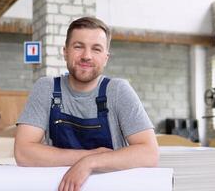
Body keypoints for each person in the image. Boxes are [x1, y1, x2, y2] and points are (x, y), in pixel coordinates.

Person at [14, 16, 159, 191]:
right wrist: (88, 155)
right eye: (78, 46)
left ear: (106, 57)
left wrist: (91, 163)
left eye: (96, 49)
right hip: (58, 186)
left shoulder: (118, 91)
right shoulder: (46, 88)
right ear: (65, 51)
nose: (86, 56)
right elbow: (23, 153)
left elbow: (149, 153)